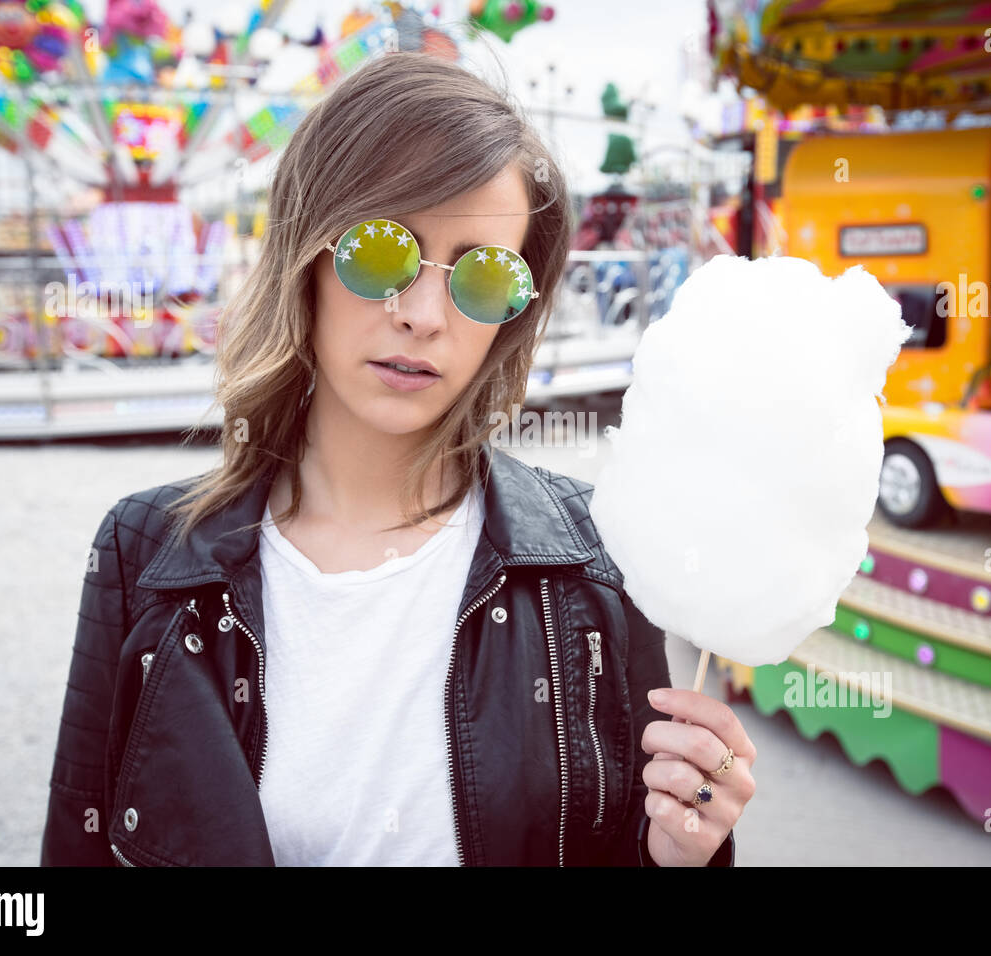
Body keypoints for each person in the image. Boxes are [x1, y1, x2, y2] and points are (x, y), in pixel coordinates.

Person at [39, 50, 755, 867]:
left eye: (484, 277)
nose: (422, 314)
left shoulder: (601, 559)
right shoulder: (145, 555)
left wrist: (681, 850)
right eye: (382, 253)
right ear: (305, 255)